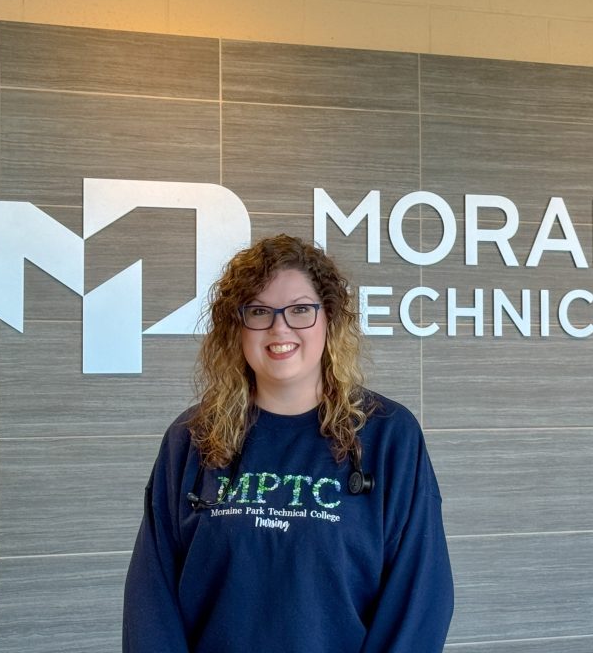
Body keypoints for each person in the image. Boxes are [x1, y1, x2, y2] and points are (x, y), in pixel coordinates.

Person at [123, 234, 454, 652]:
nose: (280, 328)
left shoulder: (389, 436)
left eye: (300, 310)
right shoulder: (192, 439)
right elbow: (150, 602)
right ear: (236, 327)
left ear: (329, 319)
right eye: (260, 311)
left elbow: (420, 597)